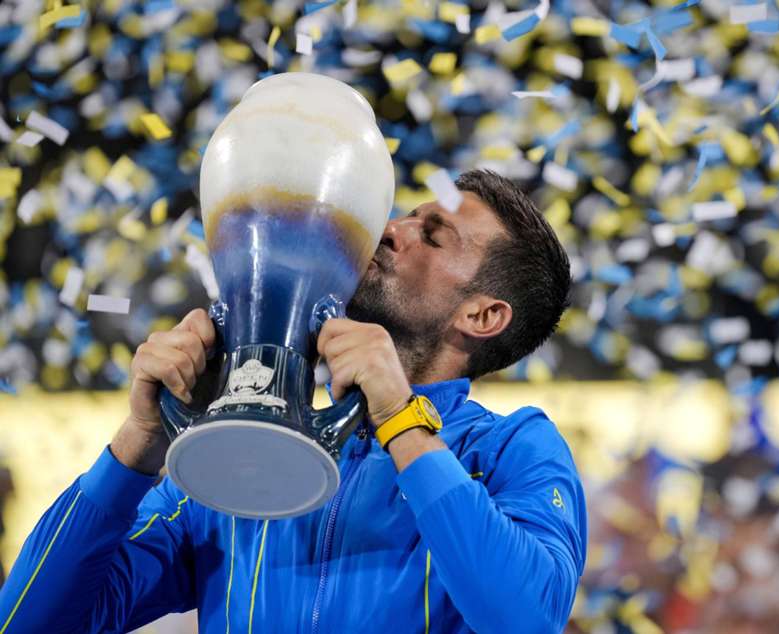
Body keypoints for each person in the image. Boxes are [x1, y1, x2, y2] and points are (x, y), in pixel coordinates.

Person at [0, 169, 587, 633]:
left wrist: (399, 418)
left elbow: (525, 619)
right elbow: (28, 622)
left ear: (482, 316)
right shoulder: (243, 453)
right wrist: (138, 441)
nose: (388, 229)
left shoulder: (513, 448)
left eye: (431, 236)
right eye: (405, 215)